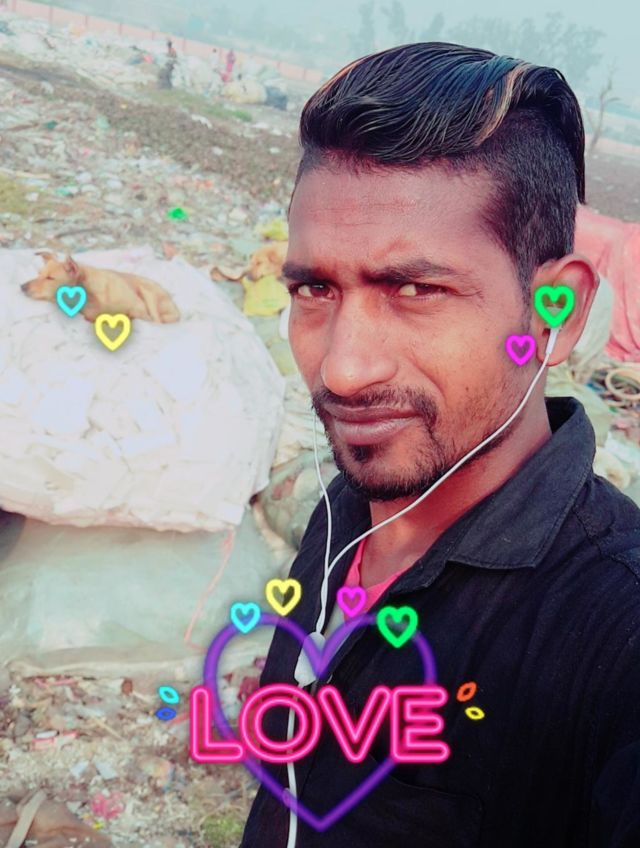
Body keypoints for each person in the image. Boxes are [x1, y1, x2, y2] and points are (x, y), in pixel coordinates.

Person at [239, 43, 640, 847]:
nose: (343, 370)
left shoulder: (615, 641)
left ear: (554, 312)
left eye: (415, 290)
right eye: (315, 289)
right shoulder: (347, 511)